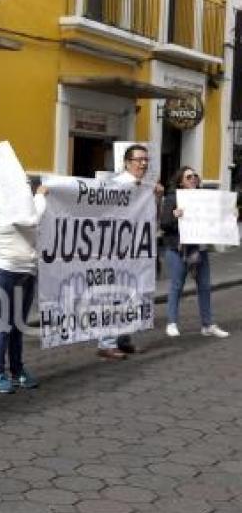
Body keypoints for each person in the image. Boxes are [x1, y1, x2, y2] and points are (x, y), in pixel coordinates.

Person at [97, 144, 163, 359]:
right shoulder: (114, 185)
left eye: (146, 160)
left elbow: (152, 218)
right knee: (112, 298)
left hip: (136, 252)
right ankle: (106, 343)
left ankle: (124, 340)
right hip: (114, 253)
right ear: (127, 163)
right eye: (139, 160)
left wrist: (157, 196)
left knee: (132, 297)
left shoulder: (146, 187)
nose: (143, 163)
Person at [0, 183, 49, 394]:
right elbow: (33, 219)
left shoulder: (26, 206)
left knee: (18, 325)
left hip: (28, 272)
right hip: (8, 272)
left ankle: (17, 370)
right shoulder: (6, 208)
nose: (26, 189)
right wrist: (40, 196)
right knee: (4, 326)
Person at [160, 166, 229, 339]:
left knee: (205, 286)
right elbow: (165, 224)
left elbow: (216, 219)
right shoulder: (172, 198)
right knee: (177, 285)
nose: (193, 179)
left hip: (199, 249)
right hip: (178, 249)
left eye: (195, 176)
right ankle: (172, 323)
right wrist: (175, 215)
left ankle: (208, 325)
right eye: (188, 176)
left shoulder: (205, 198)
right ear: (181, 182)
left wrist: (230, 214)